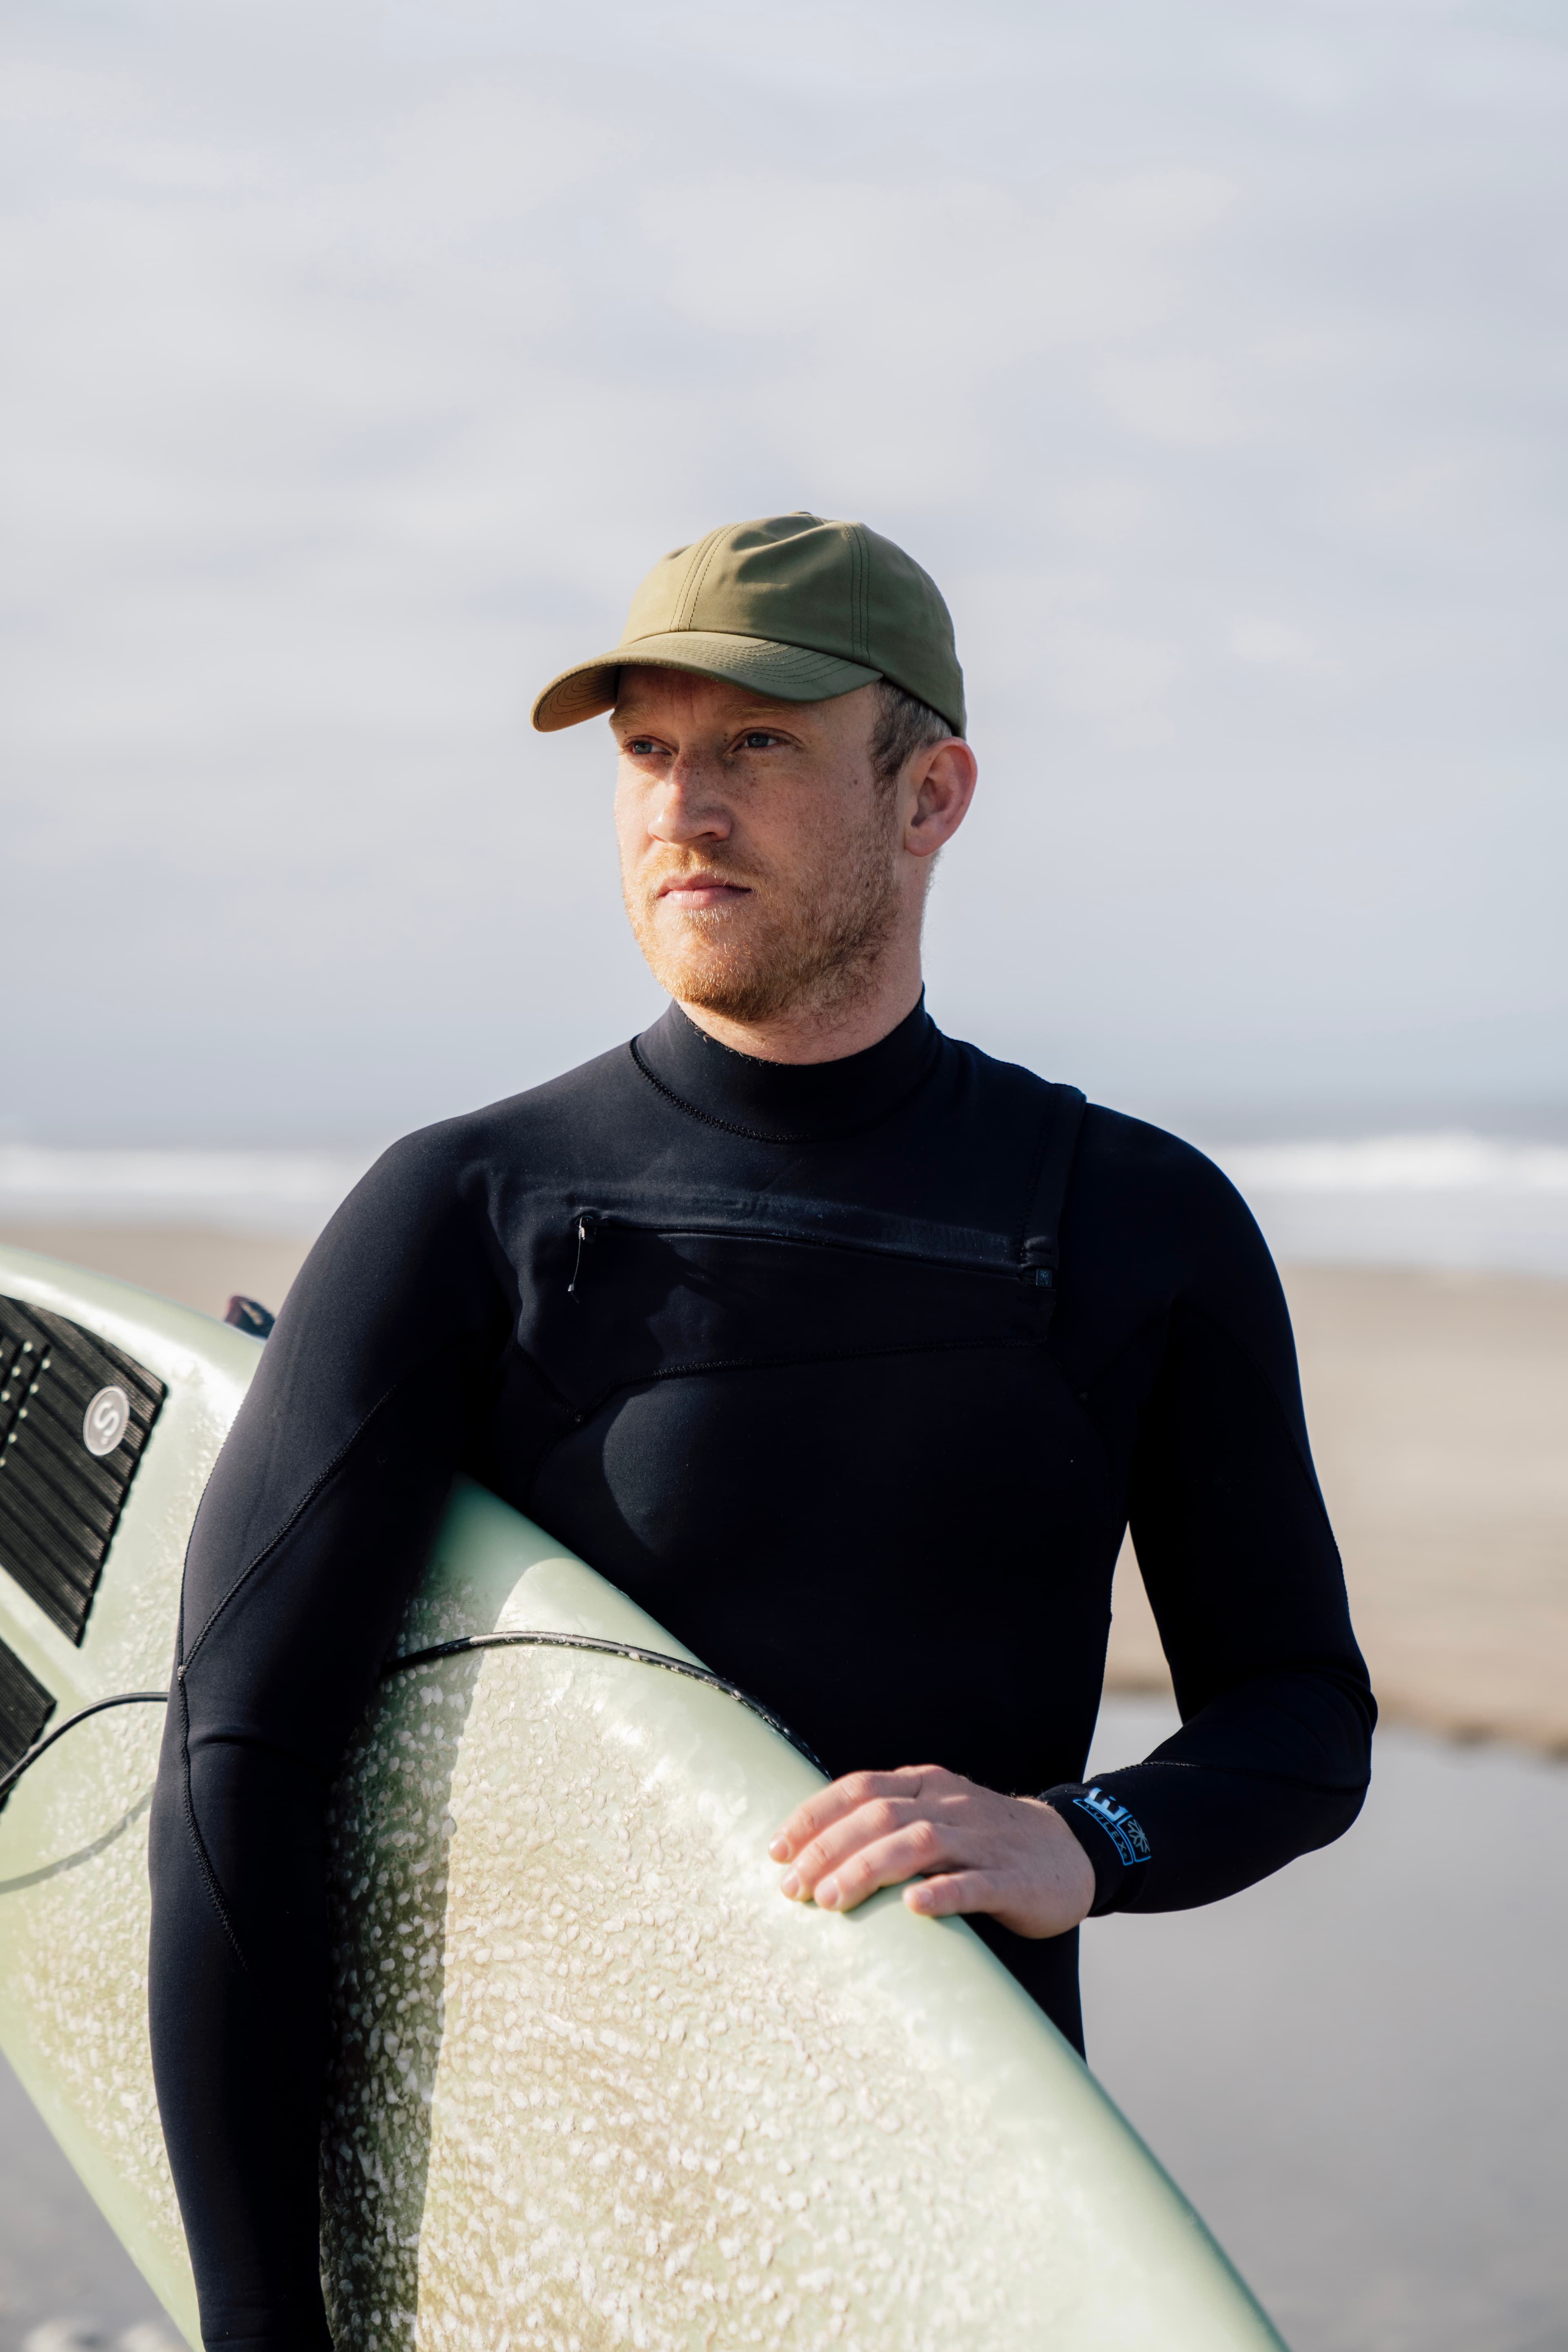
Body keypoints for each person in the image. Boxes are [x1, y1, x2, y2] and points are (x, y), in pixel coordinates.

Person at [149, 510, 1374, 2352]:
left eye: (760, 746)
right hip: (532, 2212)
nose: (680, 808)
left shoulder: (1142, 1220)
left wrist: (1086, 1837)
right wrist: (264, 2329)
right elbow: (238, 1762)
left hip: (939, 2209)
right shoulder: (462, 1208)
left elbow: (1301, 1716)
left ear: (932, 792)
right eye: (646, 750)